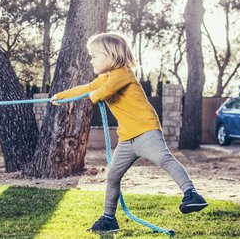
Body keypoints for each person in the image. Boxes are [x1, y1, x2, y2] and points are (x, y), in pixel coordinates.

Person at [50, 33, 207, 233]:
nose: (91, 60)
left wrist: (93, 94)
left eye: (94, 56)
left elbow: (101, 93)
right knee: (113, 176)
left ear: (110, 56)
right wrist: (60, 97)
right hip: (127, 140)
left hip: (145, 130)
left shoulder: (123, 74)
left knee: (163, 159)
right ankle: (108, 219)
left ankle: (192, 194)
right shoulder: (105, 78)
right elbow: (87, 89)